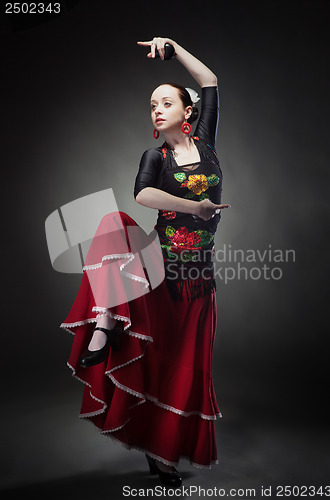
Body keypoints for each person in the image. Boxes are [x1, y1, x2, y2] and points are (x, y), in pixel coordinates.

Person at [60, 37, 230, 488]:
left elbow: (209, 81)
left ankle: (163, 456)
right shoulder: (155, 156)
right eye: (151, 103)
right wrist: (194, 208)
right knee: (114, 221)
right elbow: (143, 195)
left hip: (198, 282)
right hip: (159, 269)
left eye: (166, 100)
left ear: (188, 112)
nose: (156, 108)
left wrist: (173, 49)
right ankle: (105, 322)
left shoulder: (208, 144)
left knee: (180, 370)